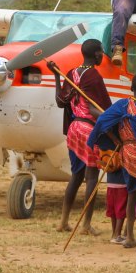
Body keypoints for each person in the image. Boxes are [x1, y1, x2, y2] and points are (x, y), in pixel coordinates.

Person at [88, 73, 136, 251]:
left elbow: (103, 120)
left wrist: (115, 140)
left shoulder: (122, 106)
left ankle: (129, 238)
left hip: (126, 152)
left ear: (131, 88)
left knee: (131, 194)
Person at [48, 39, 112, 235]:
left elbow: (60, 102)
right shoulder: (94, 76)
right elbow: (95, 109)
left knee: (76, 176)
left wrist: (57, 77)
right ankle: (85, 226)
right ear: (96, 55)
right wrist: (113, 118)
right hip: (87, 130)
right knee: (91, 178)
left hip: (74, 129)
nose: (103, 55)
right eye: (101, 52)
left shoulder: (70, 74)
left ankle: (63, 221)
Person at [105, 166, 129, 245]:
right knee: (120, 209)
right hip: (122, 181)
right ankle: (117, 235)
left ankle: (114, 234)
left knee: (113, 209)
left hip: (110, 181)